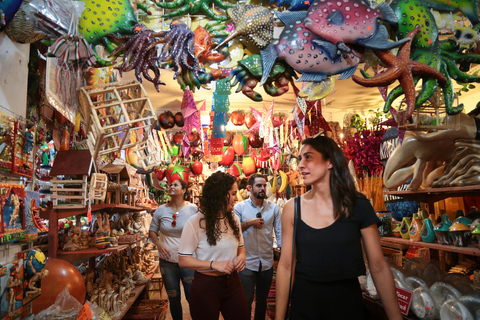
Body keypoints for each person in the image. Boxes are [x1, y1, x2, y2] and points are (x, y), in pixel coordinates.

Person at [275, 135, 402, 320]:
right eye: (300, 159)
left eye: (308, 157)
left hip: (347, 307)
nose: (301, 165)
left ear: (330, 162)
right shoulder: (292, 209)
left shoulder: (358, 205)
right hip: (305, 307)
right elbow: (286, 267)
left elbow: (379, 267)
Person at [178, 171, 250, 320]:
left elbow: (240, 247)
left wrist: (241, 257)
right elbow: (183, 260)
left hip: (233, 282)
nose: (237, 198)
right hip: (206, 285)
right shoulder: (195, 222)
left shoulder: (234, 219)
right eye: (233, 193)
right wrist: (214, 264)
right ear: (221, 195)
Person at [233, 173, 281, 320]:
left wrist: (282, 251)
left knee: (262, 301)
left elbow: (279, 233)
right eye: (259, 185)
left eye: (264, 185)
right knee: (246, 301)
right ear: (250, 188)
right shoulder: (239, 208)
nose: (263, 188)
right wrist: (249, 223)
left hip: (266, 262)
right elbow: (233, 232)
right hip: (247, 262)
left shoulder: (274, 208)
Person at [149, 179, 198, 320]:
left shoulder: (192, 209)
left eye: (175, 185)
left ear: (183, 190)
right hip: (167, 262)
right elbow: (152, 231)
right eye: (170, 185)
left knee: (192, 297)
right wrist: (158, 243)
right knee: (173, 297)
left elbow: (200, 231)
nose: (171, 187)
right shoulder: (160, 210)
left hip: (188, 261)